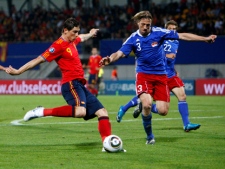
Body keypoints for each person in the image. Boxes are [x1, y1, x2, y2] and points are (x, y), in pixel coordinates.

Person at [99, 11, 217, 144]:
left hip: (161, 76)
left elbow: (182, 35)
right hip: (143, 75)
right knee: (148, 104)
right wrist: (110, 59)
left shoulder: (158, 32)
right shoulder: (133, 38)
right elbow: (119, 53)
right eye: (143, 24)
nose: (145, 27)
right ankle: (150, 137)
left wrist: (205, 39)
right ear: (138, 23)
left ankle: (138, 106)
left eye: (148, 25)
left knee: (163, 110)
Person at [3, 18, 112, 150]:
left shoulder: (72, 40)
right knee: (80, 111)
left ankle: (108, 144)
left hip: (79, 85)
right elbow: (38, 59)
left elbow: (82, 38)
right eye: (74, 32)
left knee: (102, 112)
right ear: (65, 31)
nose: (76, 35)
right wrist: (18, 71)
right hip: (70, 84)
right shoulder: (58, 45)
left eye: (77, 32)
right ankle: (41, 111)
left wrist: (90, 33)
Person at [116, 20, 202, 132]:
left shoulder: (176, 42)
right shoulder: (161, 38)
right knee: (152, 102)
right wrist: (167, 56)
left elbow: (171, 57)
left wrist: (174, 69)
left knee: (182, 96)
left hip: (171, 74)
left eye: (174, 29)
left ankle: (187, 124)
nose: (172, 31)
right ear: (166, 29)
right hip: (159, 74)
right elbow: (155, 55)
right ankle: (128, 107)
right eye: (170, 29)